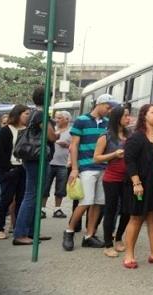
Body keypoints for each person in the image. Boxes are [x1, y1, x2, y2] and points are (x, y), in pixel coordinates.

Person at [62, 94, 115, 251]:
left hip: (104, 167)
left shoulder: (107, 123)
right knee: (86, 201)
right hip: (86, 167)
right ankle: (69, 231)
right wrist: (74, 169)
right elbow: (74, 145)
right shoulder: (81, 120)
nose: (109, 110)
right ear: (99, 104)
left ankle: (89, 235)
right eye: (108, 106)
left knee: (98, 202)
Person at [12, 87, 57, 246]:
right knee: (31, 194)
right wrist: (58, 133)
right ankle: (20, 234)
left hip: (33, 158)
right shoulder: (40, 114)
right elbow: (51, 135)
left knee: (35, 195)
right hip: (37, 158)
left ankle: (31, 232)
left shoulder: (33, 113)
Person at [122, 104, 153, 268]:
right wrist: (136, 182)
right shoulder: (137, 137)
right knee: (136, 218)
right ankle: (129, 254)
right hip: (139, 184)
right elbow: (129, 160)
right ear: (144, 116)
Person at [93, 105, 131, 258]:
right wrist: (114, 154)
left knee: (128, 210)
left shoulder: (131, 135)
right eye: (126, 116)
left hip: (128, 178)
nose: (129, 118)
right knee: (111, 210)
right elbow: (96, 157)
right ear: (117, 118)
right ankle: (108, 244)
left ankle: (119, 237)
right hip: (112, 179)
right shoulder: (106, 136)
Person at [0, 105, 30, 240]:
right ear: (18, 114)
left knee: (22, 199)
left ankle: (19, 228)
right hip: (9, 169)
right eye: (26, 114)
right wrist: (8, 168)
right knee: (6, 199)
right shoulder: (5, 131)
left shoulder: (28, 130)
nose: (28, 116)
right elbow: (0, 153)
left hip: (24, 169)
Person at [42, 111, 72, 219]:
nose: (56, 120)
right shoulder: (52, 130)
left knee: (60, 188)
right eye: (56, 118)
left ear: (67, 120)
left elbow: (74, 147)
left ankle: (57, 209)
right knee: (44, 187)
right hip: (49, 162)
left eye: (59, 118)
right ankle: (42, 209)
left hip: (63, 164)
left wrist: (67, 145)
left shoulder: (71, 131)